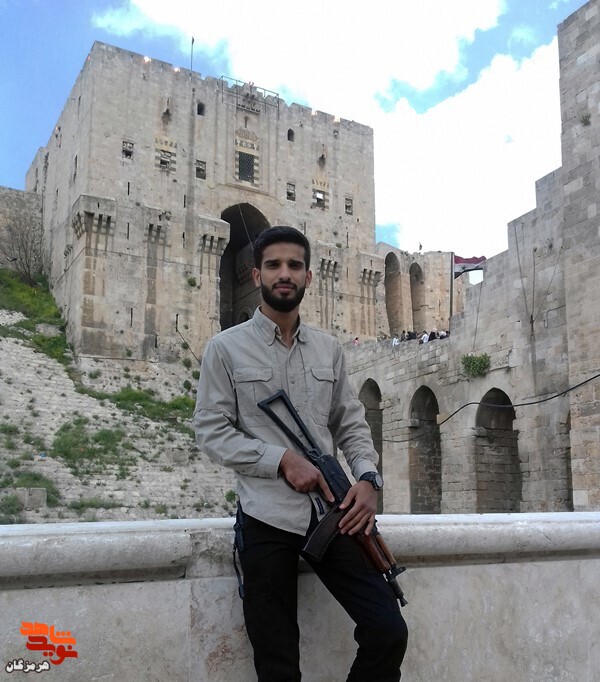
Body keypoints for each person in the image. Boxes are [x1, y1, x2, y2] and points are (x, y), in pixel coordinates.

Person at [194, 226, 408, 681]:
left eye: (294, 265)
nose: (284, 274)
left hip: (331, 513)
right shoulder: (225, 349)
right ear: (257, 275)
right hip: (265, 517)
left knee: (388, 630)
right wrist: (280, 460)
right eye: (273, 265)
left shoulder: (329, 350)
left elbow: (350, 423)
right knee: (278, 664)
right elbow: (211, 431)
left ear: (309, 276)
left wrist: (368, 479)